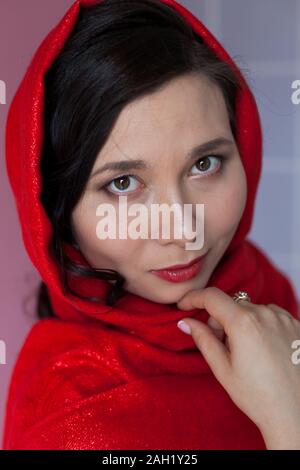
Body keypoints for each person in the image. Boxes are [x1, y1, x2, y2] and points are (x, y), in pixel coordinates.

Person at [3, 0, 300, 450]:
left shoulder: (258, 287)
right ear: (56, 209)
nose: (182, 231)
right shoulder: (69, 421)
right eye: (123, 183)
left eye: (205, 163)